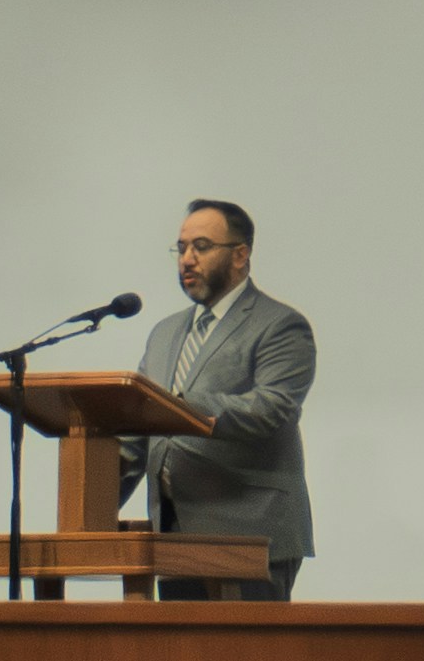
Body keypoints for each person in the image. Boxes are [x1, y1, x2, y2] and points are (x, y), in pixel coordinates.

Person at [122, 198, 312, 600]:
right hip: (172, 535)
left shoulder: (280, 325)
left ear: (240, 255)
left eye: (202, 247)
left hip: (250, 531)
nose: (187, 259)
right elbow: (139, 428)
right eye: (181, 248)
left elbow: (272, 409)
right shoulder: (164, 333)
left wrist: (179, 405)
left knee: (245, 641)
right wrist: (91, 508)